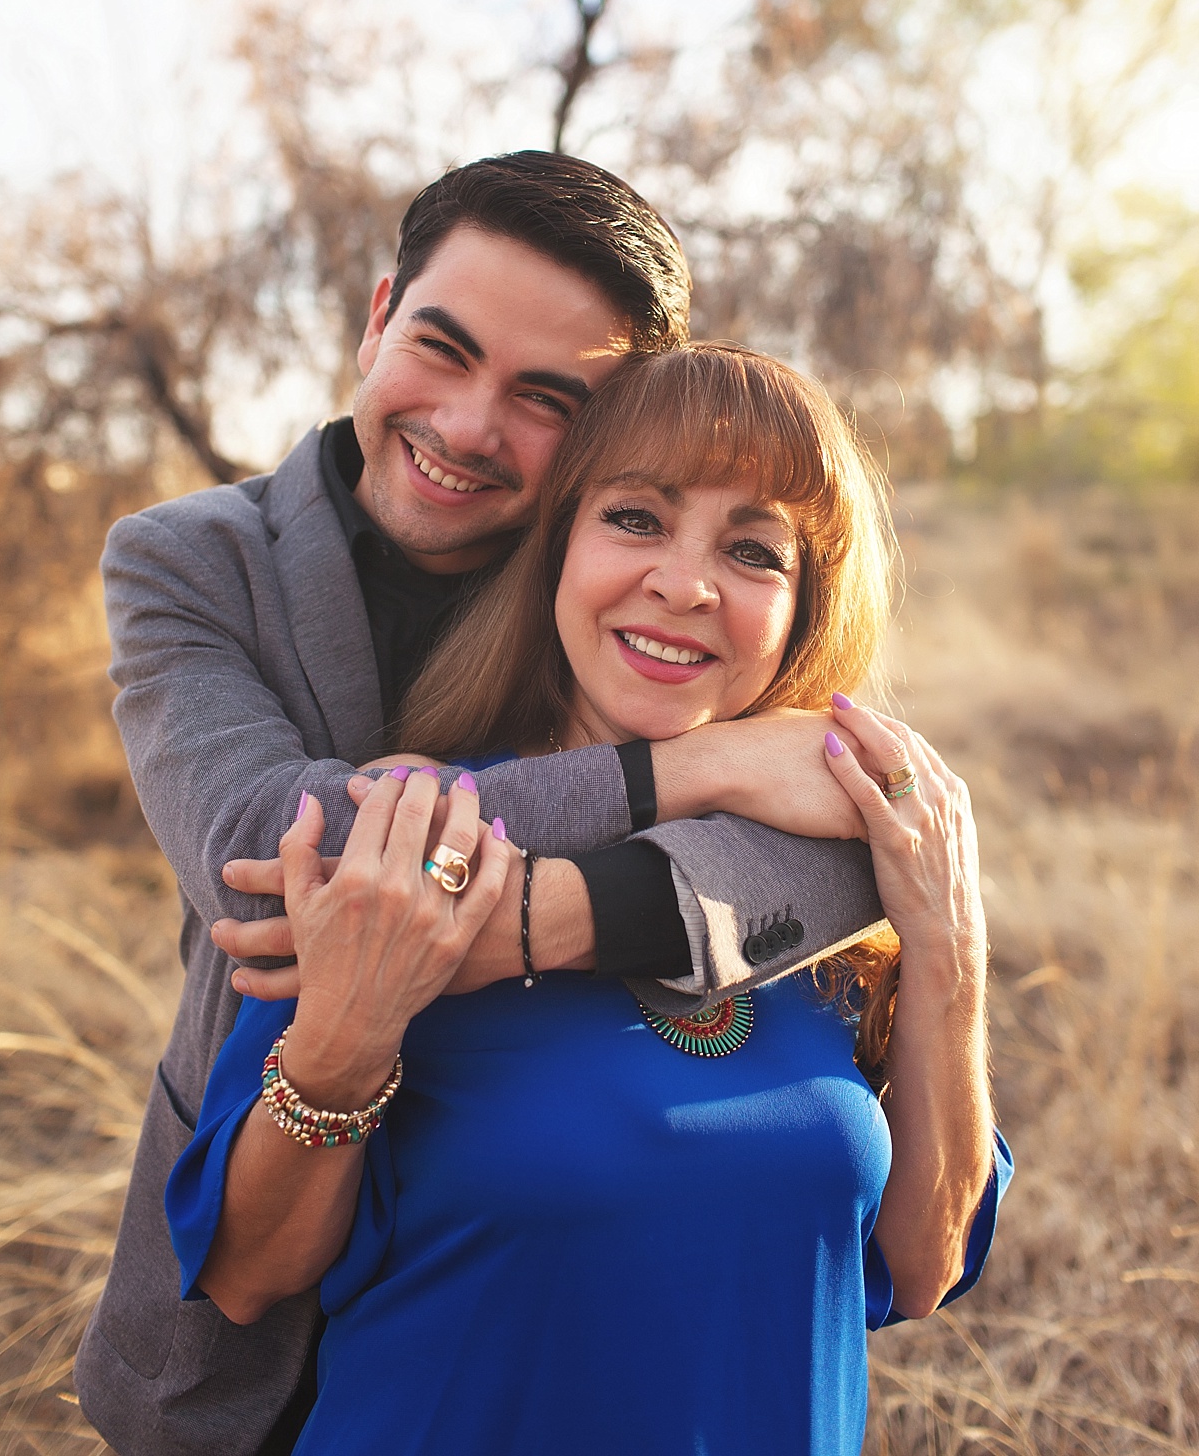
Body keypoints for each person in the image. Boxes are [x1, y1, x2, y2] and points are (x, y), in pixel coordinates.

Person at [76, 155, 887, 1456]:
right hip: (253, 1294)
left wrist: (540, 915)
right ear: (378, 313)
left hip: (520, 1251)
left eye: (544, 398)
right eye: (440, 349)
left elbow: (843, 849)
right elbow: (265, 856)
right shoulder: (189, 560)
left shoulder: (622, 557)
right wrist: (681, 774)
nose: (464, 426)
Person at [166, 344, 1011, 1456]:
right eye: (636, 519)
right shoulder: (425, 824)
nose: (685, 582)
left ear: (802, 609)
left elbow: (921, 1263)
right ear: (558, 548)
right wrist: (354, 1026)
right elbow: (246, 1273)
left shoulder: (835, 892)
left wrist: (946, 951)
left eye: (752, 549)